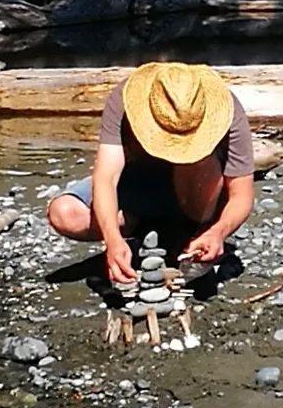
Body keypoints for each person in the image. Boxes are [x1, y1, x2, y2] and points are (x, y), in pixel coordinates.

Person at [46, 62, 255, 284]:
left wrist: (218, 232)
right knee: (65, 213)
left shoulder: (228, 111)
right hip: (142, 182)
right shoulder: (124, 101)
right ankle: (146, 228)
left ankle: (187, 229)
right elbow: (106, 177)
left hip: (200, 193)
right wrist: (113, 240)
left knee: (195, 161)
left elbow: (241, 194)